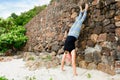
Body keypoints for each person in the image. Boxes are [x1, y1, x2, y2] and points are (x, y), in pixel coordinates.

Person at [61, 3, 89, 76]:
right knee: (80, 21)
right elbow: (73, 62)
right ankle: (85, 10)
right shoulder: (72, 51)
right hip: (75, 34)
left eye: (66, 58)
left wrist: (62, 68)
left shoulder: (65, 52)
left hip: (70, 33)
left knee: (76, 21)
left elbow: (62, 61)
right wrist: (74, 73)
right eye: (67, 59)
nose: (67, 58)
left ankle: (81, 11)